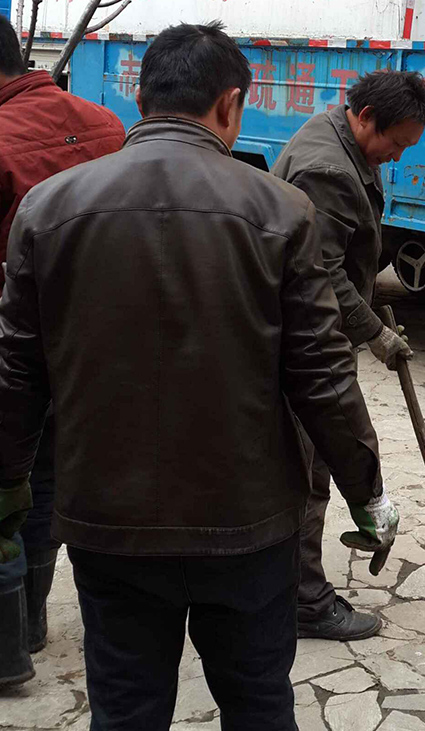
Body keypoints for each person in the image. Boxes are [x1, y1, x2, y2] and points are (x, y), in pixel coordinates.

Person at [0, 21, 398, 731]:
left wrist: (7, 488)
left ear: (140, 99)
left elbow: (16, 374)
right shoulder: (281, 211)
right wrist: (366, 492)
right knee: (258, 703)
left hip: (109, 522)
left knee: (126, 709)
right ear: (230, 103)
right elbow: (323, 377)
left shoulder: (47, 209)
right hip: (246, 525)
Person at [272, 70, 425, 641]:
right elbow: (321, 272)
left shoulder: (338, 138)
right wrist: (375, 333)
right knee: (309, 472)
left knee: (310, 465)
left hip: (308, 334)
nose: (396, 156)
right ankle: (303, 602)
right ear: (365, 117)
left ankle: (291, 589)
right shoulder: (330, 170)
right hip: (305, 343)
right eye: (395, 143)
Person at [0, 14, 125, 687]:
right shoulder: (105, 124)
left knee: (6, 485)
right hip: (89, 348)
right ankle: (33, 622)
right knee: (46, 479)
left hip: (12, 346)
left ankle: (8, 649)